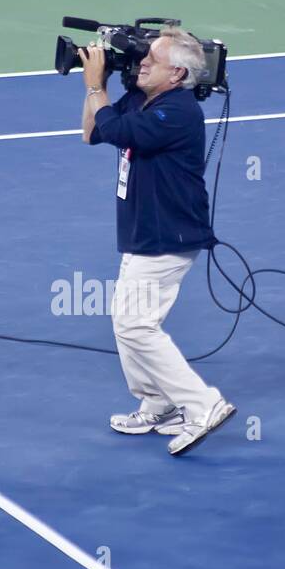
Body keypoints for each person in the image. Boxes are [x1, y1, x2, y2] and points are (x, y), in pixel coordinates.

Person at [80, 27, 236, 457]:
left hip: (170, 233)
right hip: (142, 230)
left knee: (136, 325)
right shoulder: (143, 98)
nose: (142, 62)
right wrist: (101, 86)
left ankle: (204, 405)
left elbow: (120, 132)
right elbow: (92, 132)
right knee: (126, 322)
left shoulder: (180, 110)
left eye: (153, 59)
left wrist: (97, 85)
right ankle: (158, 402)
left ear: (178, 73)